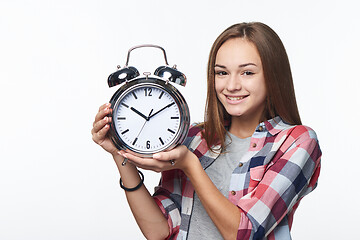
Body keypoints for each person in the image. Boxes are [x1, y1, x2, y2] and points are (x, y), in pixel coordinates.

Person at [91, 22, 321, 240]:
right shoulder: (194, 139)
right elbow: (159, 230)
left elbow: (245, 233)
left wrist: (190, 165)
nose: (231, 85)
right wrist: (119, 154)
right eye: (221, 72)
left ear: (273, 77)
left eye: (247, 73)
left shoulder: (296, 142)